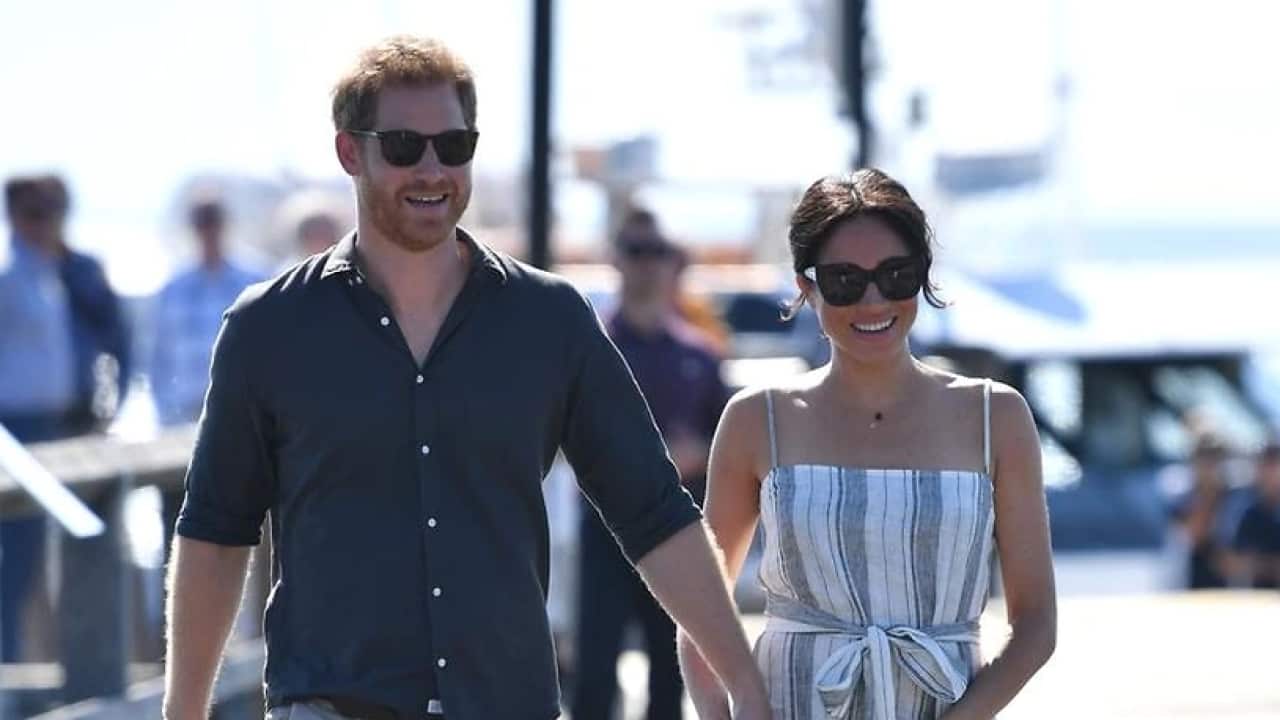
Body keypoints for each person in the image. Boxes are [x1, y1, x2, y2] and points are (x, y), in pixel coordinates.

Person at [161, 35, 769, 720]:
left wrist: (744, 682)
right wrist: (183, 712)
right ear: (349, 152)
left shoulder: (549, 319)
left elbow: (655, 513)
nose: (431, 168)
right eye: (403, 146)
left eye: (454, 147)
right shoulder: (267, 329)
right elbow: (215, 530)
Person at [680, 169, 1057, 719]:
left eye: (897, 274)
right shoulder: (756, 420)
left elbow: (1037, 625)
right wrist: (729, 712)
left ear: (923, 276)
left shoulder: (994, 416)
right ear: (806, 286)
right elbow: (701, 610)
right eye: (844, 280)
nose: (873, 298)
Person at [571, 220, 730, 720]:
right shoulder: (587, 346)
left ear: (675, 264)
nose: (647, 264)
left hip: (674, 530)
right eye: (636, 251)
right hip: (604, 529)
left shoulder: (700, 355)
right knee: (595, 667)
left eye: (658, 252)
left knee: (671, 666)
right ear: (616, 259)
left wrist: (697, 453)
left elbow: (730, 442)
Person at [0, 174, 130, 661]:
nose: (47, 222)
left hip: (55, 428)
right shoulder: (11, 273)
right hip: (18, 430)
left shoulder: (50, 271)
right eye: (34, 213)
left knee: (39, 565)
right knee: (16, 567)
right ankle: (8, 679)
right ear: (13, 215)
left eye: (53, 211)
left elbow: (114, 339)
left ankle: (25, 671)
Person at [149, 195, 262, 426]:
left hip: (243, 409)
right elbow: (158, 354)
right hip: (186, 410)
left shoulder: (255, 279)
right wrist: (165, 410)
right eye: (202, 222)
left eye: (214, 221)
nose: (208, 231)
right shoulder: (174, 286)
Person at [1170, 431, 1233, 589]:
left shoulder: (1235, 496)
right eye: (1204, 458)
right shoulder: (1182, 498)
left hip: (1233, 589)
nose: (1210, 465)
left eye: (1215, 458)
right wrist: (1208, 494)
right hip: (1191, 586)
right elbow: (1194, 536)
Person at [1230, 439, 1280, 589]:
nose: (1269, 472)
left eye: (1273, 464)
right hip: (1260, 603)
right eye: (1265, 464)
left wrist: (1258, 564)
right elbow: (1233, 564)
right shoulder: (1251, 513)